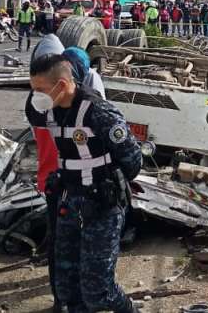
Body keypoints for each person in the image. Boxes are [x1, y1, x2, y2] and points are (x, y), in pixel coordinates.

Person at [26, 53, 141, 313]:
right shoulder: (49, 111)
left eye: (40, 90)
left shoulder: (98, 112)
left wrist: (109, 182)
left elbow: (133, 160)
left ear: (63, 86)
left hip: (102, 204)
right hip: (69, 202)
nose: (36, 96)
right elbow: (32, 112)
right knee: (67, 286)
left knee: (98, 290)